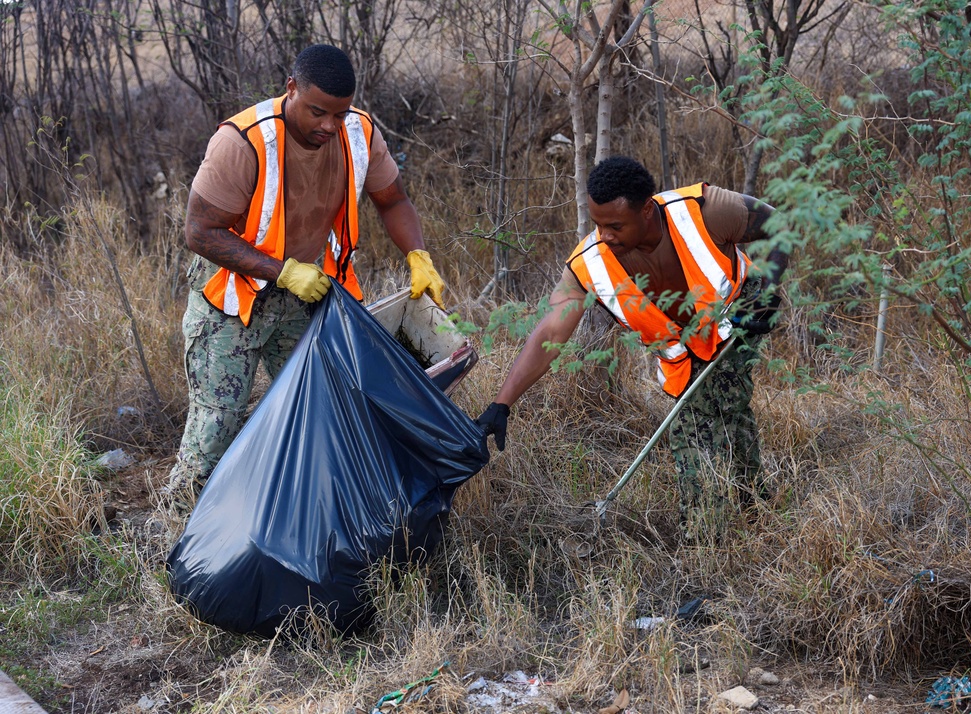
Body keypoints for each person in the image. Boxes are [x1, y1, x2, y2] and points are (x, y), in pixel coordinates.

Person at [164, 44, 445, 509]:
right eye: (318, 112)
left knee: (322, 411)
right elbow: (199, 232)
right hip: (231, 298)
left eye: (340, 113)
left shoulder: (358, 133)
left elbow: (393, 200)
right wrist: (282, 271)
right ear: (291, 88)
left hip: (306, 295)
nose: (328, 127)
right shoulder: (245, 142)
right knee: (219, 423)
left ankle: (296, 516)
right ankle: (178, 525)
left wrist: (418, 254)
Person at [476, 156, 788, 532]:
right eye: (597, 224)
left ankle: (704, 544)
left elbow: (781, 227)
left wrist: (767, 293)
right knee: (726, 408)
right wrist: (501, 403)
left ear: (646, 210)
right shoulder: (589, 264)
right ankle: (754, 503)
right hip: (683, 355)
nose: (604, 235)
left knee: (697, 426)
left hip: (736, 316)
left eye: (615, 225)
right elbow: (550, 333)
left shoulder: (706, 211)